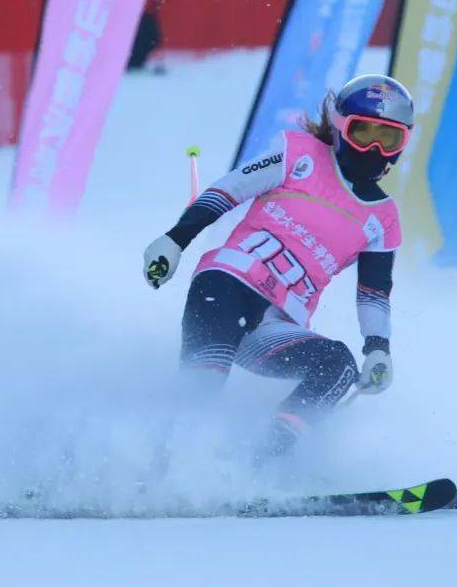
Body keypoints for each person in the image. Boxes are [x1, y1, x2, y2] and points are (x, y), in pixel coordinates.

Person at [142, 74, 412, 462]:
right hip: (228, 286)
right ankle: (148, 469)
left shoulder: (383, 219)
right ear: (338, 127)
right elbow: (227, 190)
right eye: (362, 132)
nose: (372, 148)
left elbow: (374, 293)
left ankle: (260, 461)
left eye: (388, 138)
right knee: (199, 395)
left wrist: (378, 349)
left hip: (275, 324)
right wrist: (174, 240)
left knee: (337, 368)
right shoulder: (297, 154)